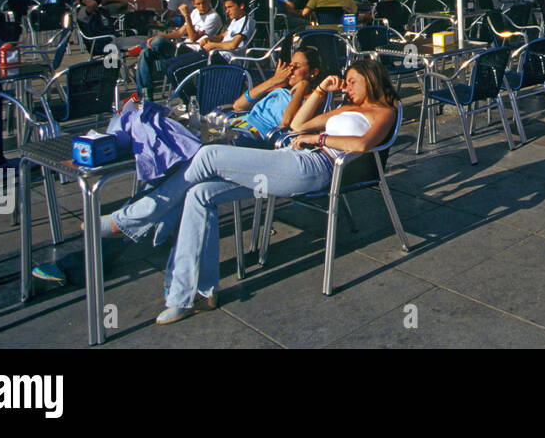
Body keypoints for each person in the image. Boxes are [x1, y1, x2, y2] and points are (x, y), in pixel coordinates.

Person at [101, 57, 398, 324]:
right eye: (345, 82)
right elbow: (296, 124)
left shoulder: (383, 111)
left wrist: (318, 140)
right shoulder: (346, 106)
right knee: (199, 194)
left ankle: (129, 220)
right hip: (292, 159)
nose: (347, 87)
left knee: (208, 156)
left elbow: (362, 145)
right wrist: (321, 90)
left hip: (316, 168)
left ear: (371, 79)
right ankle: (192, 296)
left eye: (353, 81)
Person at [136, 0, 224, 100]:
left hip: (194, 51)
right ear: (193, 3)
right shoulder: (195, 13)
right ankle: (145, 95)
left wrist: (186, 16)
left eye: (204, 2)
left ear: (209, 0)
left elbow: (193, 38)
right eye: (198, 3)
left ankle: (139, 47)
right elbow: (179, 33)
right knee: (145, 53)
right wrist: (159, 36)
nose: (202, 6)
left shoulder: (213, 17)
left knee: (157, 43)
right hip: (182, 47)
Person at [228, 47, 322, 145]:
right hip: (237, 125)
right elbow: (238, 105)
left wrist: (303, 86)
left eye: (297, 66)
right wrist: (273, 80)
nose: (291, 69)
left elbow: (286, 121)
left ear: (313, 72)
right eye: (291, 64)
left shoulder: (311, 100)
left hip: (255, 136)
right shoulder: (280, 90)